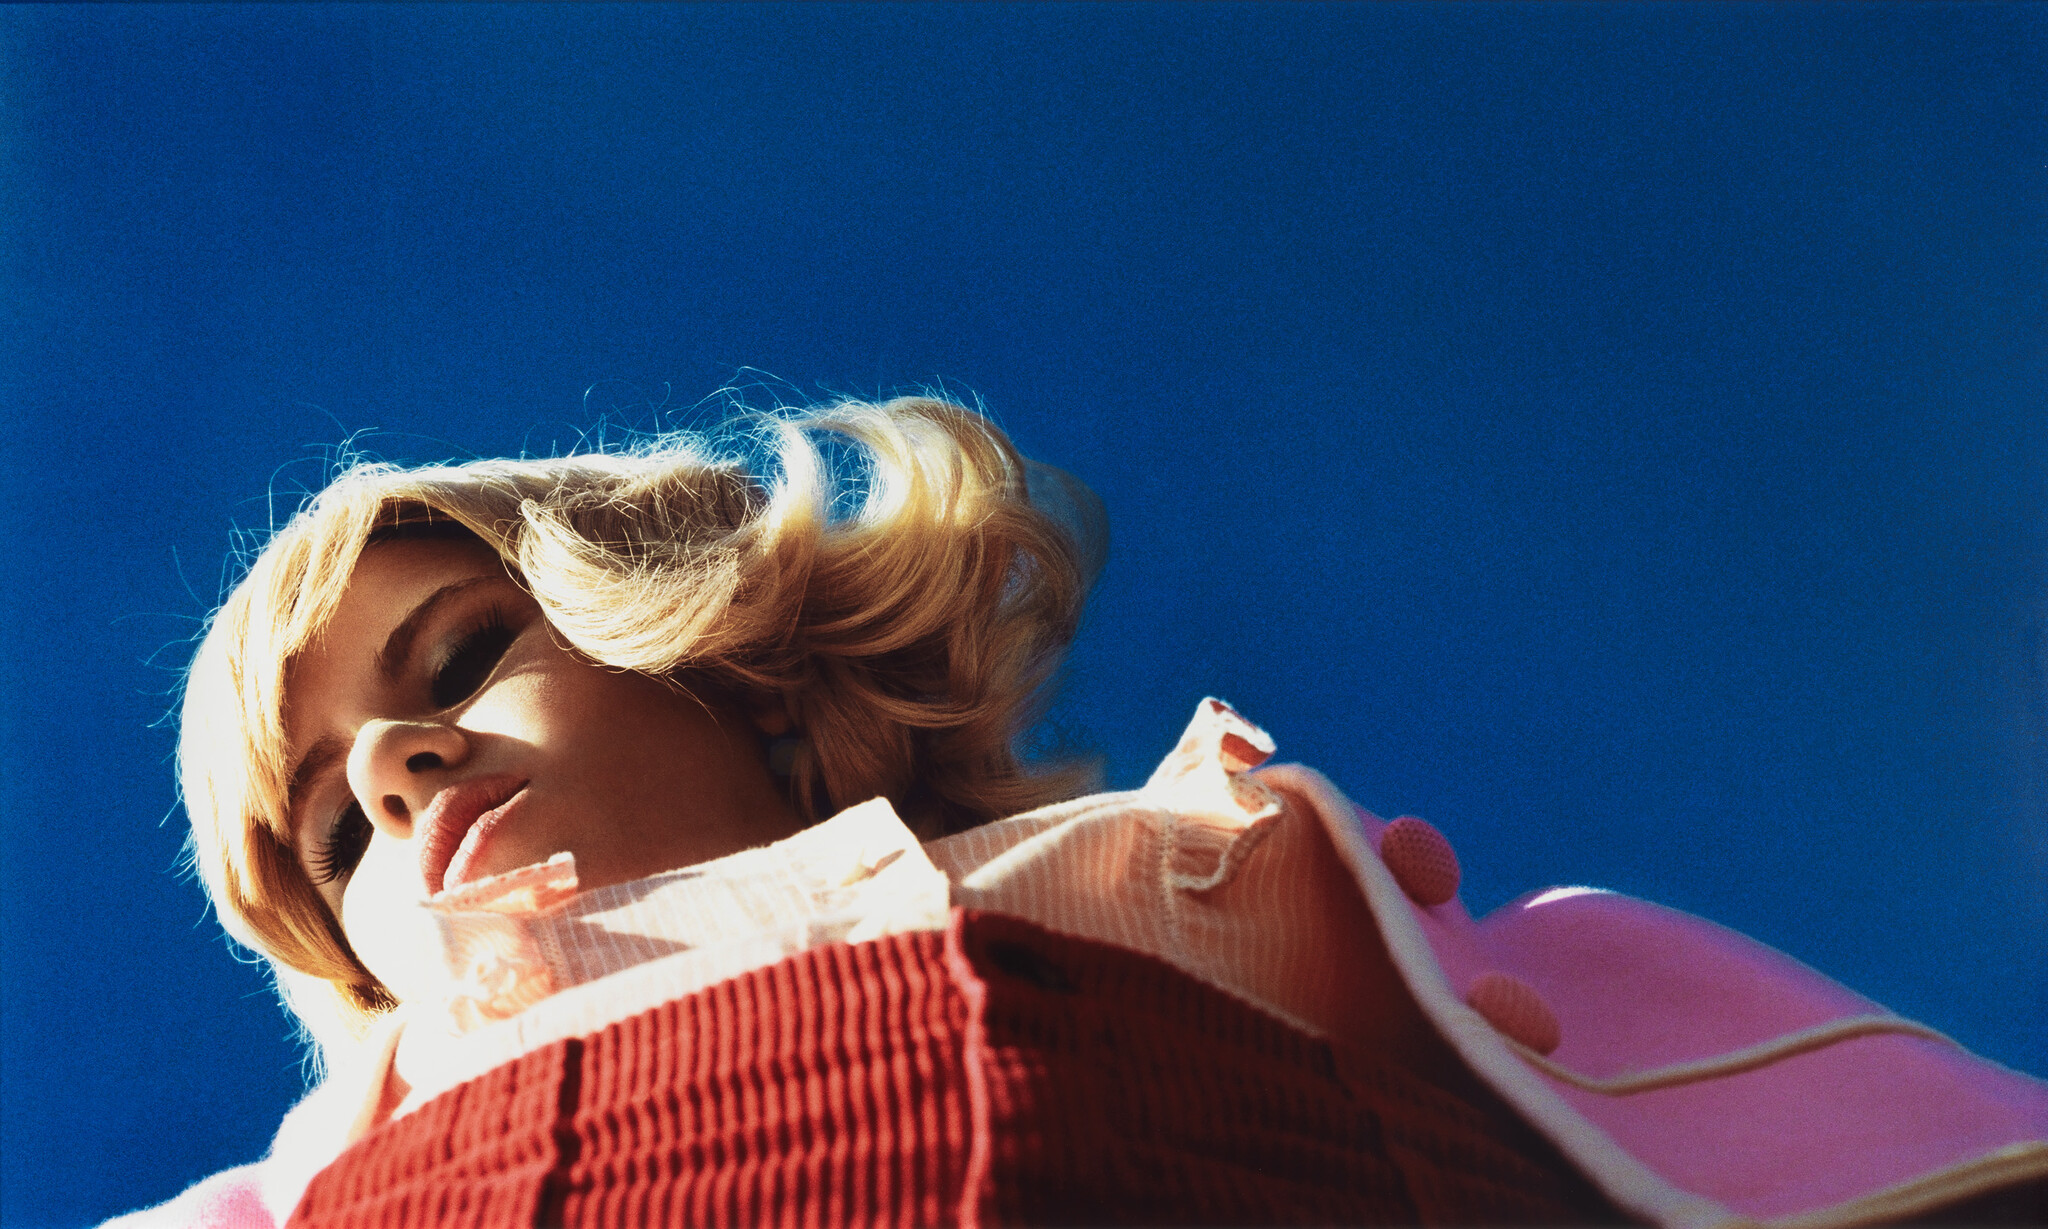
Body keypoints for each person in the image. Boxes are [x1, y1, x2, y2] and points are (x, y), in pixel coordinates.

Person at [120, 397, 2044, 1228]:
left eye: (457, 660)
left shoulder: (1273, 902)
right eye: (330, 829)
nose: (392, 773)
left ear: (742, 676)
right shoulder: (315, 1181)